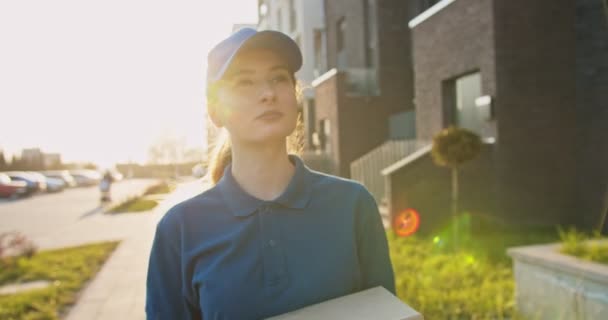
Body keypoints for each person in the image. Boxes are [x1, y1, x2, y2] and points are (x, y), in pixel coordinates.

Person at [145, 28, 394, 320]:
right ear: (215, 111)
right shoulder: (179, 230)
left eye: (278, 78)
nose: (268, 94)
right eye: (245, 82)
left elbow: (388, 313)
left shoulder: (353, 205)